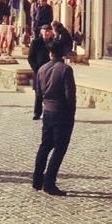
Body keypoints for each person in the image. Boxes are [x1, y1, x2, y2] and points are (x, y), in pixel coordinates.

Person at [31, 40, 76, 196]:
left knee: (45, 146)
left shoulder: (42, 69)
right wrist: (71, 115)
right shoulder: (65, 70)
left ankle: (37, 180)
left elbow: (38, 93)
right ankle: (49, 183)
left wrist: (38, 111)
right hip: (61, 112)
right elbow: (70, 96)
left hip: (47, 111)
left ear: (50, 53)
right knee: (59, 148)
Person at [27, 25, 52, 120]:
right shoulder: (36, 42)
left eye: (48, 31)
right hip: (39, 71)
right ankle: (37, 113)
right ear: (41, 32)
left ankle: (48, 112)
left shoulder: (53, 42)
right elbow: (30, 57)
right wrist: (36, 69)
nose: (46, 33)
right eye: (44, 31)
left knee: (50, 92)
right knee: (38, 93)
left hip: (51, 71)